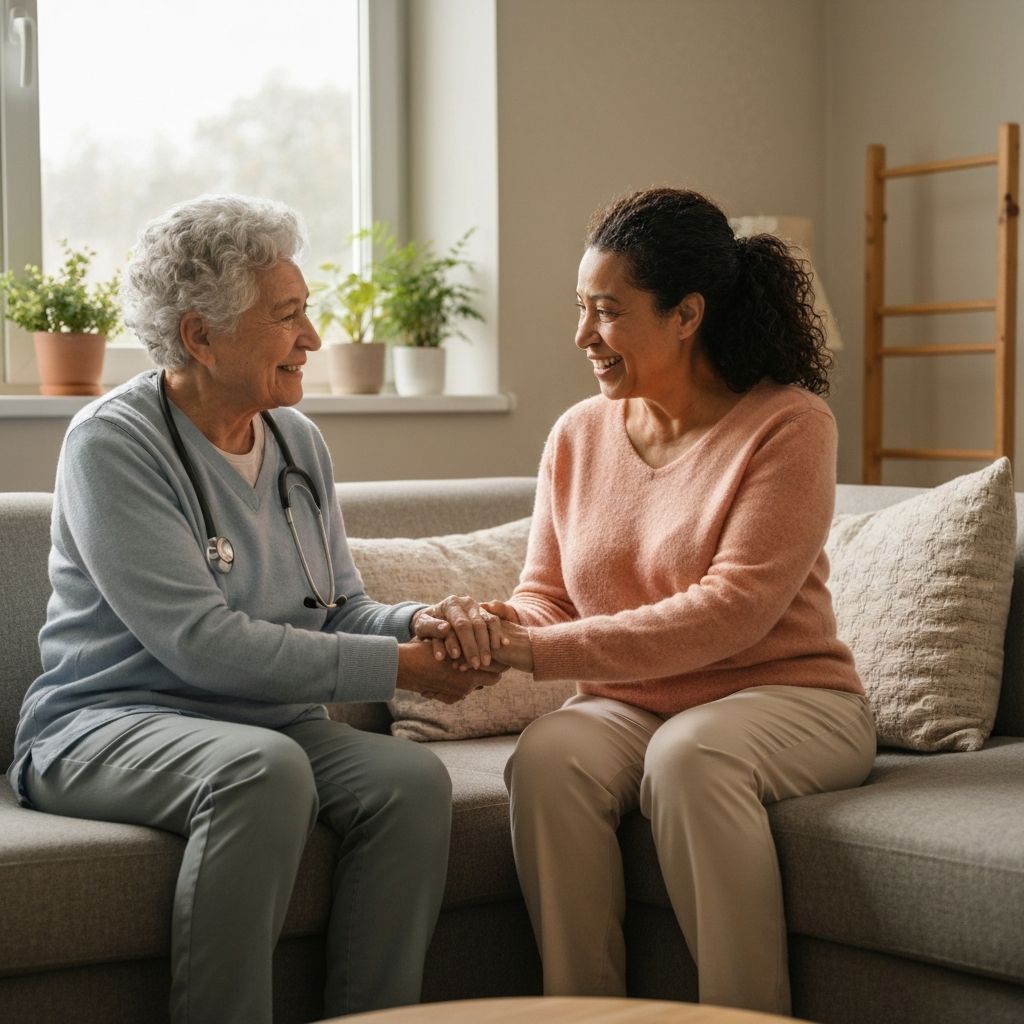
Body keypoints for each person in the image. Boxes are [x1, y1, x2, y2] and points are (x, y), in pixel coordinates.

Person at [6, 194, 505, 1024]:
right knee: (259, 773)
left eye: (306, 312)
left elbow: (337, 605)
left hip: (266, 721)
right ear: (200, 335)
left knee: (410, 781)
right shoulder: (112, 445)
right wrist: (394, 667)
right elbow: (200, 644)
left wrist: (418, 625)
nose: (312, 337)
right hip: (103, 725)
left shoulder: (297, 441)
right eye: (289, 316)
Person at [476, 187, 876, 1015]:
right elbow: (546, 596)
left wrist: (535, 652)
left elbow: (731, 609)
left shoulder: (790, 426)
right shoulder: (579, 434)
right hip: (635, 704)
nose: (583, 335)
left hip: (788, 697)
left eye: (608, 312)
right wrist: (493, 626)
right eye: (582, 309)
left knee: (692, 757)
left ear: (685, 314)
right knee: (548, 755)